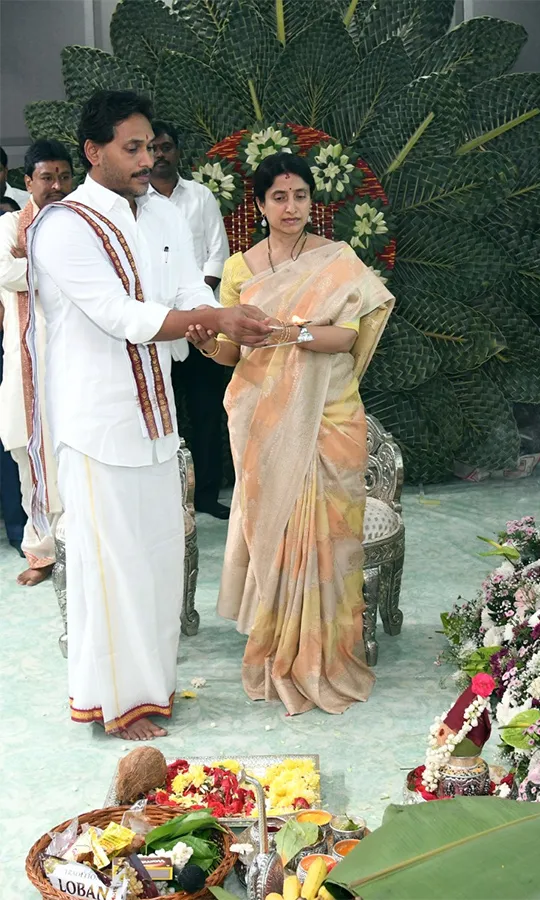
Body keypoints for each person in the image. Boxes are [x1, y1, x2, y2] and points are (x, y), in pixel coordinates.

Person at [26, 90, 273, 741]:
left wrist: (216, 324)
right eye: (131, 148)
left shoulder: (162, 212)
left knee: (159, 563)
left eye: (149, 146)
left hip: (157, 417)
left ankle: (150, 690)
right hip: (97, 423)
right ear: (93, 151)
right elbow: (121, 316)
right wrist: (213, 318)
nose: (146, 159)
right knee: (112, 569)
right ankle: (115, 705)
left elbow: (188, 288)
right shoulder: (65, 225)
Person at [188, 152, 393, 715]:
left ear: (311, 202)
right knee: (276, 534)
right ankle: (278, 647)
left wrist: (286, 332)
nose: (291, 206)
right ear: (259, 205)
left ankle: (329, 653)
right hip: (265, 420)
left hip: (330, 414)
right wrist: (206, 342)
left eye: (300, 195)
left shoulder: (337, 260)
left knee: (328, 535)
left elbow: (345, 338)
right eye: (278, 197)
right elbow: (233, 353)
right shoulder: (240, 269)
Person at [149, 121, 233, 518]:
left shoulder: (200, 196)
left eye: (166, 147)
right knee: (161, 415)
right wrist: (172, 313)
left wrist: (195, 305)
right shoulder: (136, 202)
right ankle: (166, 499)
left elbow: (218, 254)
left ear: (178, 152)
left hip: (203, 326)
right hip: (157, 326)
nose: (159, 155)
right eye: (152, 148)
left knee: (206, 412)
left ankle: (207, 496)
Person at [0, 139, 74, 585]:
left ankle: (77, 546)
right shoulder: (9, 224)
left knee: (75, 453)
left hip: (75, 363)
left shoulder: (81, 222)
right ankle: (42, 550)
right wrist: (57, 268)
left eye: (64, 176)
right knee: (29, 453)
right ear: (28, 181)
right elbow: (7, 273)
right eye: (47, 177)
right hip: (26, 363)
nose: (57, 185)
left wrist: (33, 262)